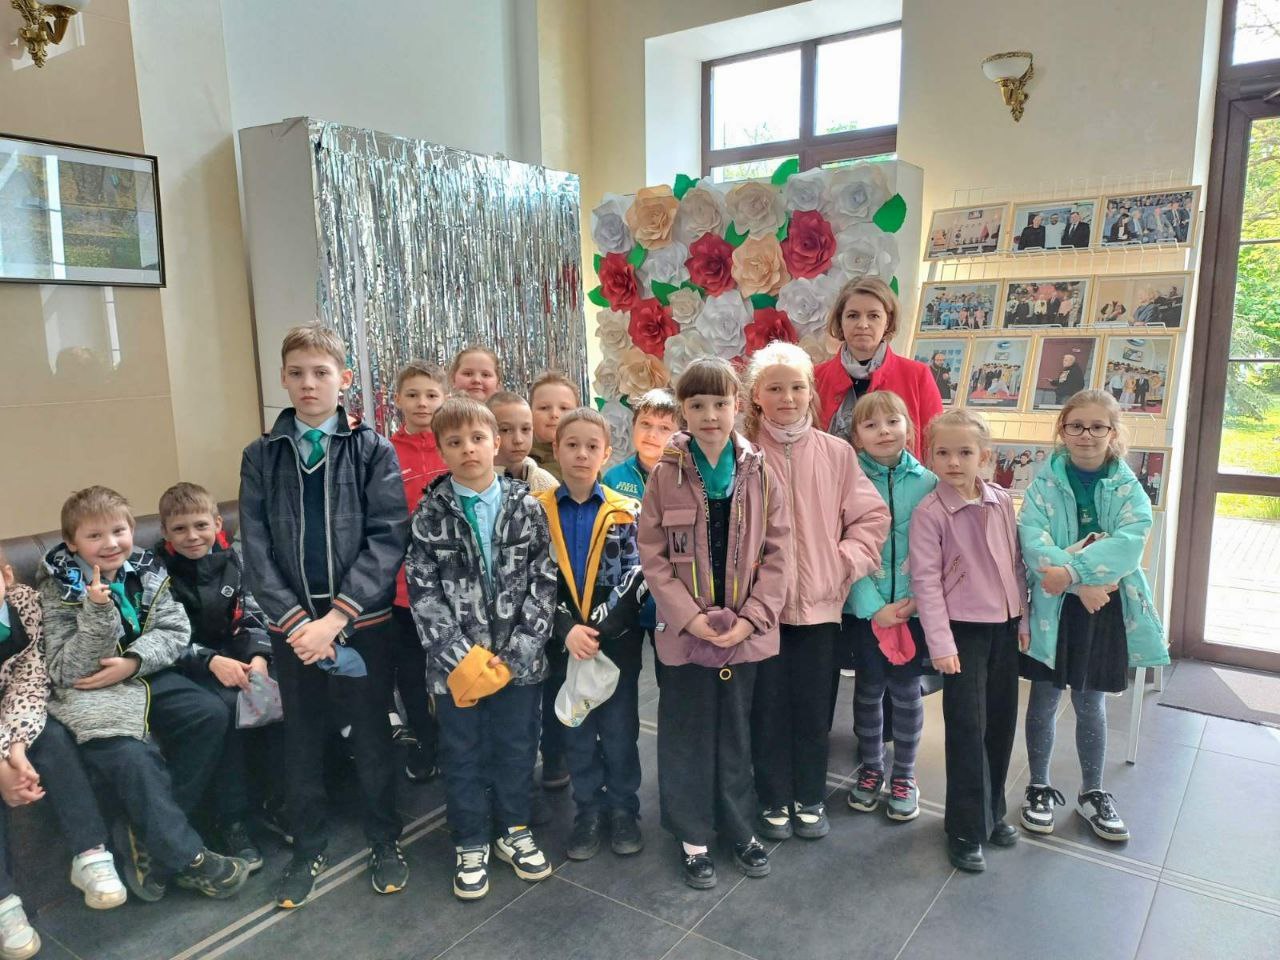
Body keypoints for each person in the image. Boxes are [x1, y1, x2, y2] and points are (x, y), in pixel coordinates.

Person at [239, 324, 409, 909]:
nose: (308, 383)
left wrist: (335, 620)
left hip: (361, 626)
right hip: (293, 632)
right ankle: (307, 846)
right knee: (303, 740)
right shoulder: (261, 455)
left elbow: (388, 537)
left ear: (345, 379)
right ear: (283, 379)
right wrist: (295, 624)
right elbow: (256, 548)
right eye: (297, 373)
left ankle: (385, 839)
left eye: (321, 372)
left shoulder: (372, 450)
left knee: (372, 733)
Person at [40, 486, 250, 903]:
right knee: (135, 755)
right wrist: (97, 612)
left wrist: (134, 661)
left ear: (132, 530)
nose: (110, 543)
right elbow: (65, 667)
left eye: (118, 531)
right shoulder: (57, 588)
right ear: (72, 542)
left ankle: (148, 837)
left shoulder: (146, 568)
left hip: (143, 674)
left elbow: (174, 630)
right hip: (91, 693)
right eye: (94, 536)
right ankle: (186, 856)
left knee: (209, 712)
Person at [637, 358, 790, 890]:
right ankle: (693, 836)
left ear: (737, 407)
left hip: (744, 635)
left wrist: (751, 620)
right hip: (687, 637)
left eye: (720, 404)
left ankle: (739, 828)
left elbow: (779, 553)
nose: (709, 415)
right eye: (697, 404)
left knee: (738, 734)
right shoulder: (666, 474)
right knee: (687, 734)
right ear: (683, 410)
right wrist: (690, 619)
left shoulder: (761, 471)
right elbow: (653, 556)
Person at [404, 395, 558, 901]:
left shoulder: (527, 506)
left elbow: (544, 580)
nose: (468, 449)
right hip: (456, 671)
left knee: (517, 747)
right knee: (462, 753)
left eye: (477, 438)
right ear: (441, 450)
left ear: (496, 443)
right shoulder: (429, 514)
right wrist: (461, 658)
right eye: (455, 442)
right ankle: (470, 839)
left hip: (519, 665)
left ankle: (514, 828)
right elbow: (423, 594)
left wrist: (516, 654)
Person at [743, 344, 888, 843]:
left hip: (822, 609)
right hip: (761, 611)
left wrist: (841, 564)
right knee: (766, 708)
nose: (787, 397)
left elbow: (871, 518)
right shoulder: (742, 455)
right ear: (757, 395)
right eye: (775, 388)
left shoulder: (837, 453)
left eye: (797, 387)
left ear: (811, 392)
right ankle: (771, 797)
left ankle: (808, 796)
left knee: (813, 707)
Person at [1018, 390, 1169, 843]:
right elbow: (1031, 539)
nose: (1086, 435)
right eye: (1076, 426)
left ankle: (1093, 792)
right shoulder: (1045, 482)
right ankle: (1038, 786)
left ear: (1113, 432)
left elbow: (1130, 542)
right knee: (1044, 699)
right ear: (1062, 430)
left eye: (1097, 426)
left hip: (1103, 604)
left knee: (1090, 702)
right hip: (1056, 606)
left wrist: (1072, 573)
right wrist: (1076, 583)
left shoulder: (1126, 485)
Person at [910, 410, 1029, 873]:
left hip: (1004, 627)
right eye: (943, 452)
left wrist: (1022, 619)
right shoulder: (931, 513)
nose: (954, 462)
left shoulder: (1000, 500)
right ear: (930, 456)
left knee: (999, 722)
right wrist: (941, 643)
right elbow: (926, 583)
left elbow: (1015, 565)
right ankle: (963, 827)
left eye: (965, 452)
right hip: (962, 633)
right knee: (966, 727)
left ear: (985, 456)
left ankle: (991, 812)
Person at [1, 547, 127, 960]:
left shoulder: (25, 607)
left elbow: (30, 680)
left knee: (54, 739)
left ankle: (90, 854)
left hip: (18, 713)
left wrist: (16, 747)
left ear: (6, 577)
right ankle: (4, 904)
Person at [535, 408, 648, 861]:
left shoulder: (626, 511)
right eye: (572, 445)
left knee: (619, 732)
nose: (581, 454)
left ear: (606, 453)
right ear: (557, 449)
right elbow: (533, 579)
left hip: (615, 643)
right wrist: (566, 630)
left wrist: (599, 629)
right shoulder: (536, 511)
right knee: (576, 731)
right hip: (563, 643)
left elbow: (637, 575)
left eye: (591, 446)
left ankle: (623, 810)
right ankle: (587, 811)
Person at [157, 482, 273, 871]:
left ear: (218, 524)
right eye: (180, 529)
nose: (192, 536)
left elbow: (253, 612)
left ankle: (276, 802)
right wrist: (209, 661)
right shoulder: (156, 571)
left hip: (234, 657)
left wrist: (258, 657)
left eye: (201, 525)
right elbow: (163, 636)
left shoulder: (234, 561)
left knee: (283, 690)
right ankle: (231, 820)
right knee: (225, 709)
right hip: (184, 664)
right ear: (165, 532)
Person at [842, 392, 937, 823]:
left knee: (906, 690)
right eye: (870, 425)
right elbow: (842, 543)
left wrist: (918, 600)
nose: (883, 431)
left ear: (908, 427)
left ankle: (904, 774)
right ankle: (871, 767)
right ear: (856, 437)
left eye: (892, 421)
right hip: (866, 610)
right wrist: (871, 605)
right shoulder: (848, 480)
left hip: (913, 610)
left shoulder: (929, 482)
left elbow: (939, 548)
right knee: (868, 688)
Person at [389, 361, 448, 784]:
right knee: (410, 673)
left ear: (444, 398)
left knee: (454, 668)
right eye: (412, 394)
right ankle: (423, 743)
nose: (422, 403)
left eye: (430, 395)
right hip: (402, 588)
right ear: (398, 400)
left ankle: (458, 744)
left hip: (453, 586)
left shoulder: (454, 444)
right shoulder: (384, 452)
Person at [815, 276, 943, 459]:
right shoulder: (815, 377)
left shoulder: (917, 375)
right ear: (840, 321)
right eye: (853, 315)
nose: (863, 324)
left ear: (888, 321)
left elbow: (936, 445)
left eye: (873, 316)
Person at [603, 389, 680, 683]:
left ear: (678, 433)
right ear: (633, 425)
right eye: (645, 424)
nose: (652, 434)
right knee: (622, 679)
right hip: (624, 599)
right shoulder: (613, 478)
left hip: (668, 601)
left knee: (670, 677)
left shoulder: (684, 476)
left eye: (664, 428)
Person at [488, 391, 559, 493]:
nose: (518, 440)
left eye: (525, 429)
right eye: (506, 430)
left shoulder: (546, 484)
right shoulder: (474, 482)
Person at [528, 372, 580, 486]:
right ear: (529, 412)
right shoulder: (519, 459)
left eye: (564, 408)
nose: (554, 414)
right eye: (544, 408)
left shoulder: (588, 457)